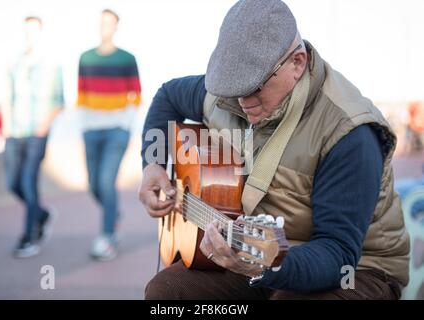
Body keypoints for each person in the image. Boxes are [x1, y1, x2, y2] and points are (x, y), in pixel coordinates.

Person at [139, 0, 409, 299]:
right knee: (168, 292)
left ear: (297, 62)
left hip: (356, 270)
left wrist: (261, 266)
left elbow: (338, 255)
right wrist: (153, 165)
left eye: (255, 87)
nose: (243, 101)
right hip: (253, 252)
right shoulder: (228, 94)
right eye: (235, 88)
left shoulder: (348, 133)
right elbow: (167, 96)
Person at [77, 9, 141, 261]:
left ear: (116, 27)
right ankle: (112, 213)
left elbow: (136, 94)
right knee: (93, 185)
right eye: (102, 23)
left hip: (117, 130)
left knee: (106, 182)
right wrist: (84, 125)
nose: (105, 27)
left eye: (110, 23)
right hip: (90, 131)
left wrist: (125, 125)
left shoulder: (127, 58)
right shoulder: (85, 57)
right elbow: (81, 94)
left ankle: (107, 235)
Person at [2, 16, 64, 258]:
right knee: (12, 183)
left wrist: (44, 127)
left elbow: (60, 102)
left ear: (40, 33)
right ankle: (42, 214)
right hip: (14, 133)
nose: (30, 36)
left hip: (37, 134)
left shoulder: (52, 64)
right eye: (26, 31)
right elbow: (8, 96)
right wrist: (6, 126)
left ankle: (29, 236)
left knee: (29, 183)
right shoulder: (14, 63)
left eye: (34, 32)